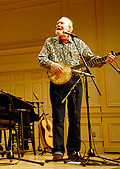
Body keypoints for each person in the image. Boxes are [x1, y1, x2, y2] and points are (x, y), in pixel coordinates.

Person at [38, 17, 115, 160]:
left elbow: (91, 60)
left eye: (61, 23)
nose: (58, 24)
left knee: (75, 117)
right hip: (57, 83)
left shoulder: (78, 43)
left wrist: (104, 60)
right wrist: (52, 64)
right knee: (58, 117)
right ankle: (58, 151)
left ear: (69, 28)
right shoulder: (50, 42)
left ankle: (73, 151)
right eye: (57, 23)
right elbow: (41, 58)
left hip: (75, 80)